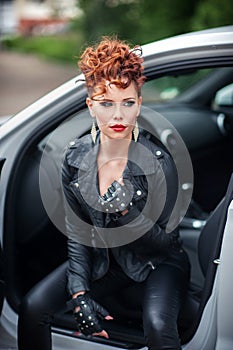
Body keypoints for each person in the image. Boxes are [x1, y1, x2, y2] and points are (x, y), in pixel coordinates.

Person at [18, 36, 190, 350]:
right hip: (105, 260)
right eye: (106, 104)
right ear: (90, 106)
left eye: (127, 103)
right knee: (33, 308)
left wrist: (127, 213)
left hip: (156, 262)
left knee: (158, 325)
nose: (118, 116)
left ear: (139, 104)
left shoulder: (159, 163)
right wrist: (80, 294)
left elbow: (166, 243)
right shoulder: (74, 158)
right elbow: (77, 234)